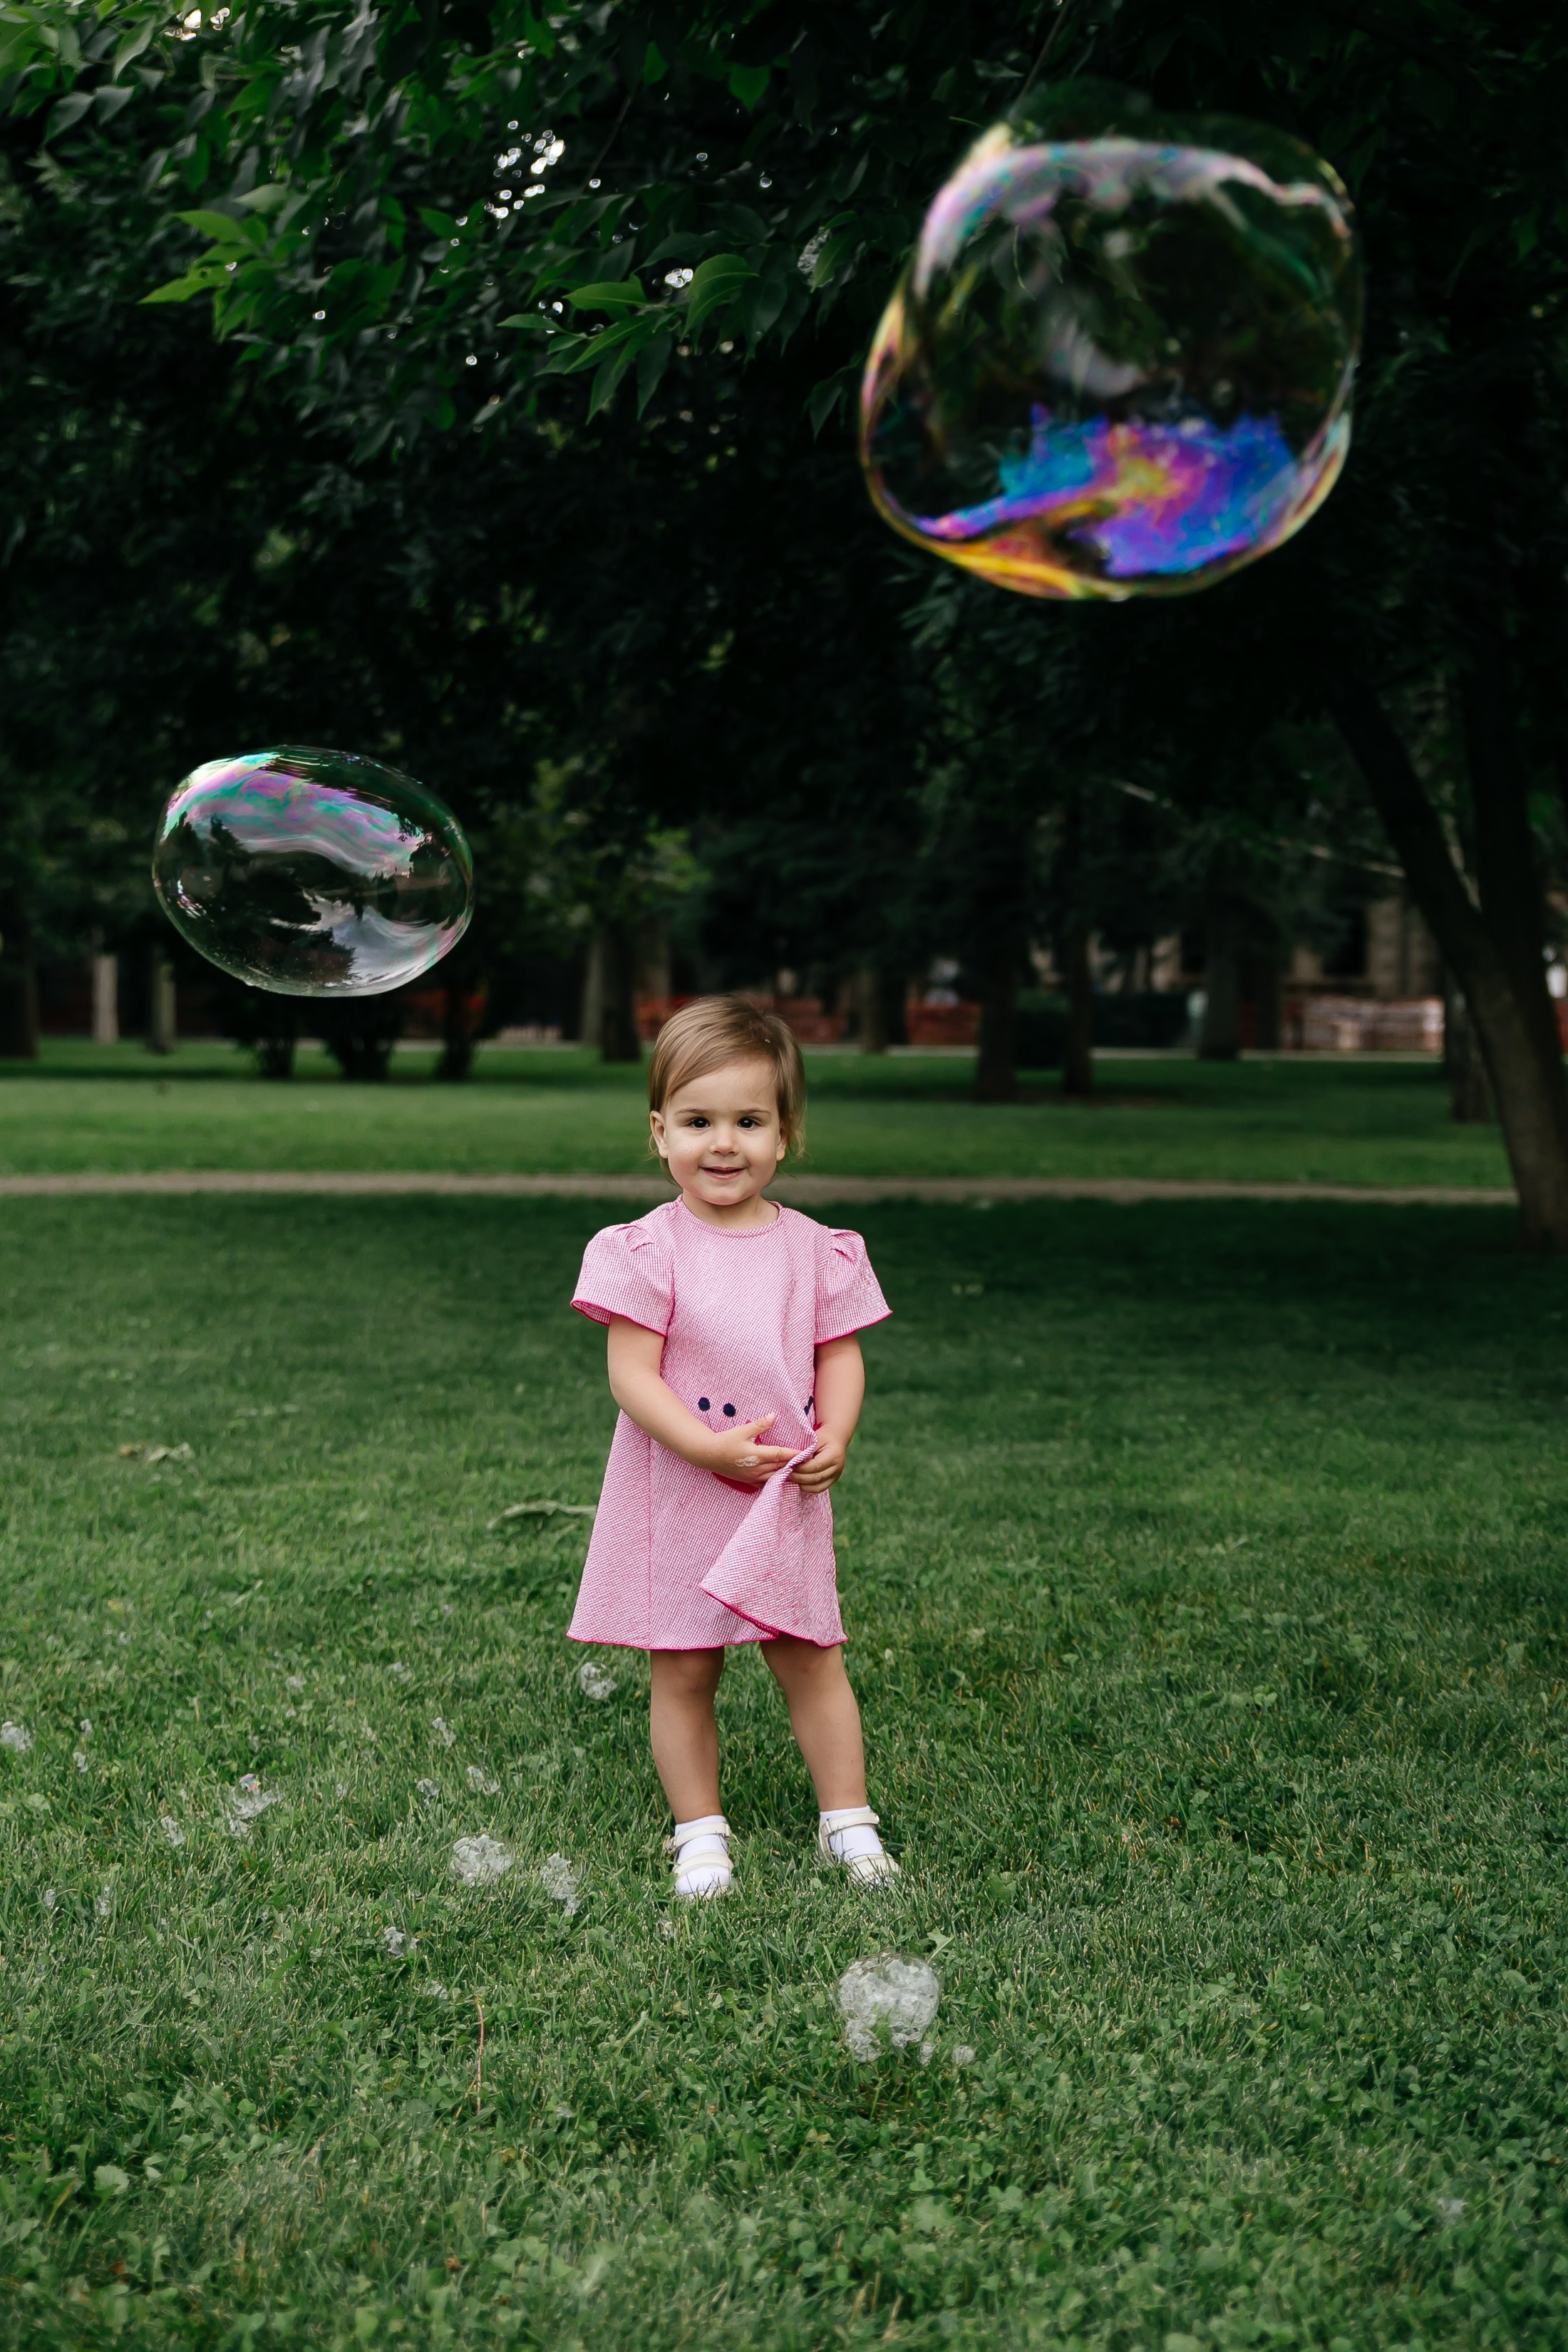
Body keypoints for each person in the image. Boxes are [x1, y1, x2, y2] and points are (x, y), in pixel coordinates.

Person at [567, 994, 898, 1900]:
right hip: (680, 1487)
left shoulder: (817, 1252)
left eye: (749, 1122)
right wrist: (703, 1447)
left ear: (784, 1135)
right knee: (683, 1667)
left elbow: (841, 1357)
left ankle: (848, 1821)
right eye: (698, 1121)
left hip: (778, 1492)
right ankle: (700, 1831)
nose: (723, 1143)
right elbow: (632, 1375)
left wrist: (836, 1433)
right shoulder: (646, 1251)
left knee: (811, 1656)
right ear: (658, 1133)